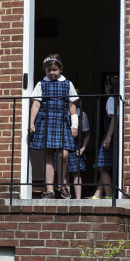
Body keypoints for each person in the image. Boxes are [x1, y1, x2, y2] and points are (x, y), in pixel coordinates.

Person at [27, 53, 79, 199]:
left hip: (62, 122)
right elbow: (36, 104)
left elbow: (72, 105)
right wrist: (31, 123)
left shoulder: (67, 84)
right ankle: (49, 189)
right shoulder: (41, 84)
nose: (52, 73)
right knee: (49, 155)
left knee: (64, 153)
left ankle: (61, 184)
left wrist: (74, 126)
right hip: (46, 122)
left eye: (55, 70)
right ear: (45, 70)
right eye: (49, 70)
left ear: (60, 69)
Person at [92, 74, 119, 199]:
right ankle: (98, 195)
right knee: (105, 167)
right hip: (113, 136)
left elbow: (114, 118)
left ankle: (109, 196)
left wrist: (108, 137)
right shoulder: (116, 99)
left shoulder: (111, 100)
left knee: (102, 166)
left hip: (110, 136)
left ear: (108, 86)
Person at [67, 101, 91, 199]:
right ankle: (66, 198)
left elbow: (87, 133)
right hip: (62, 145)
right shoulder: (63, 112)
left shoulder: (82, 114)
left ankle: (78, 199)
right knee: (64, 172)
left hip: (75, 146)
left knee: (76, 173)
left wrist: (83, 148)